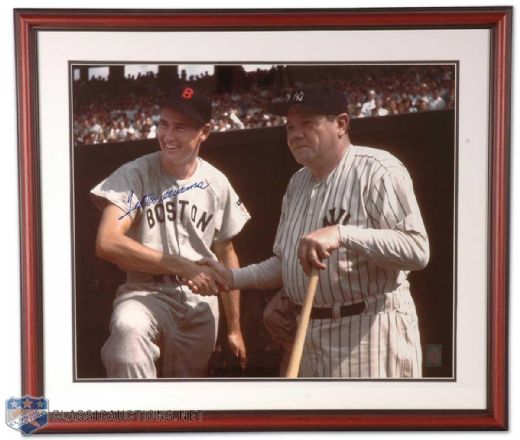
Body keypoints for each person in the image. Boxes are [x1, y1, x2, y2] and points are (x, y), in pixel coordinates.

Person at [194, 83, 429, 378]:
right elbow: (285, 264)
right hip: (310, 335)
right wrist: (231, 277)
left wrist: (342, 234)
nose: (296, 134)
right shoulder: (298, 183)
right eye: (290, 127)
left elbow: (417, 250)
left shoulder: (378, 169)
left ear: (341, 124)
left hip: (370, 329)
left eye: (308, 123)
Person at [90, 85, 250, 378]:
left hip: (199, 303)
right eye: (163, 124)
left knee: (184, 398)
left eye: (180, 127)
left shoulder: (217, 182)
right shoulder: (135, 173)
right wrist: (181, 265)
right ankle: (139, 421)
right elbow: (108, 241)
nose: (168, 135)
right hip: (144, 291)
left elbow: (227, 254)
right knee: (127, 333)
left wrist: (235, 328)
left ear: (205, 131)